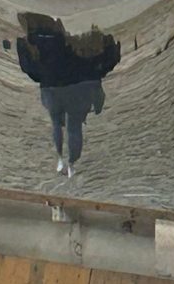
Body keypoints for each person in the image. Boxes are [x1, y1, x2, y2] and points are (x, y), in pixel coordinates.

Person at [16, 13, 120, 178]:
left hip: (54, 86)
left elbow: (32, 67)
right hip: (71, 87)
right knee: (71, 126)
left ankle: (63, 160)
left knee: (59, 124)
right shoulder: (75, 58)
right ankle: (70, 162)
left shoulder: (51, 52)